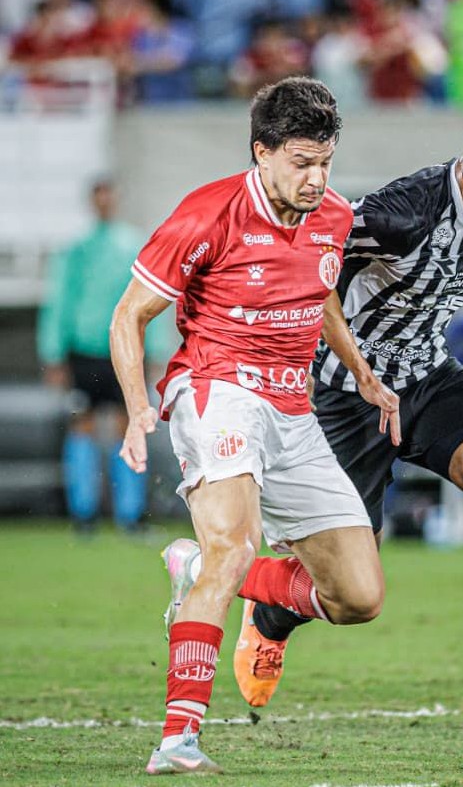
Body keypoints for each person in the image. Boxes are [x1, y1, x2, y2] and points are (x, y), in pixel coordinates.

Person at [236, 82, 463, 752]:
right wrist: (349, 367)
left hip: (426, 377)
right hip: (345, 396)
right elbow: (315, 268)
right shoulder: (403, 211)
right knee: (349, 589)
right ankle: (267, 612)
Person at [110, 76, 401, 774]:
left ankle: (194, 566)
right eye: (301, 162)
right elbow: (129, 315)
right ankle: (178, 737)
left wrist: (362, 371)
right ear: (261, 152)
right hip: (218, 388)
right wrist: (137, 407)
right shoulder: (208, 213)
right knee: (234, 547)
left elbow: (319, 292)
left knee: (359, 596)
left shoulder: (333, 215)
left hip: (293, 408)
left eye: (325, 162)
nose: (316, 178)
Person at [38, 177, 173, 534]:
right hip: (84, 350)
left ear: (116, 200)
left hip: (124, 349)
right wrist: (53, 352)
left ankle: (130, 515)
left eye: (109, 196)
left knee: (127, 426)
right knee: (81, 425)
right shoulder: (77, 249)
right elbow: (60, 299)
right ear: (92, 201)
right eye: (99, 196)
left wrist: (155, 348)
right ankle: (83, 514)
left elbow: (151, 297)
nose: (105, 202)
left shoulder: (133, 245)